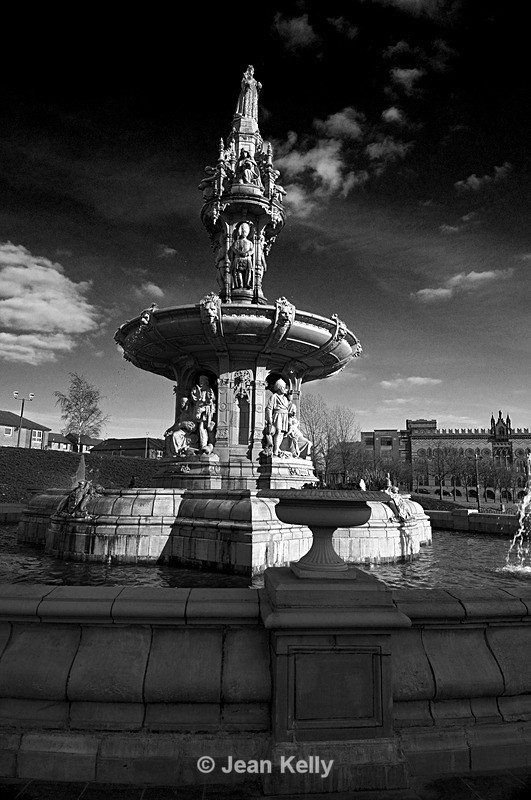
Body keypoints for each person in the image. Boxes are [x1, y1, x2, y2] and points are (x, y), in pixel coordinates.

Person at [265, 378, 291, 456]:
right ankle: (275, 449)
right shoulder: (274, 396)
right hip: (278, 415)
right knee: (278, 431)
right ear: (279, 388)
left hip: (285, 416)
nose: (285, 389)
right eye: (283, 387)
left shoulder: (286, 399)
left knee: (282, 433)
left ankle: (277, 447)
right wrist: (269, 419)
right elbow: (269, 408)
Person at [190, 376, 216, 454]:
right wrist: (194, 394)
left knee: (203, 428)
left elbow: (211, 399)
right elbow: (195, 399)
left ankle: (204, 445)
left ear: (206, 382)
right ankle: (201, 445)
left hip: (206, 412)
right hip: (199, 411)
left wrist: (210, 398)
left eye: (202, 381)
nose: (200, 382)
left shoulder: (208, 390)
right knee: (200, 428)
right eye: (200, 380)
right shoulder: (198, 390)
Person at [230, 222, 254, 289]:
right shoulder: (237, 242)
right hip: (238, 258)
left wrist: (247, 253)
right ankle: (240, 284)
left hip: (247, 258)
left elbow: (252, 250)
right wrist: (239, 253)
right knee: (238, 271)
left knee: (249, 270)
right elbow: (233, 248)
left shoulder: (250, 243)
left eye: (246, 232)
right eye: (243, 232)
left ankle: (247, 283)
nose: (244, 233)